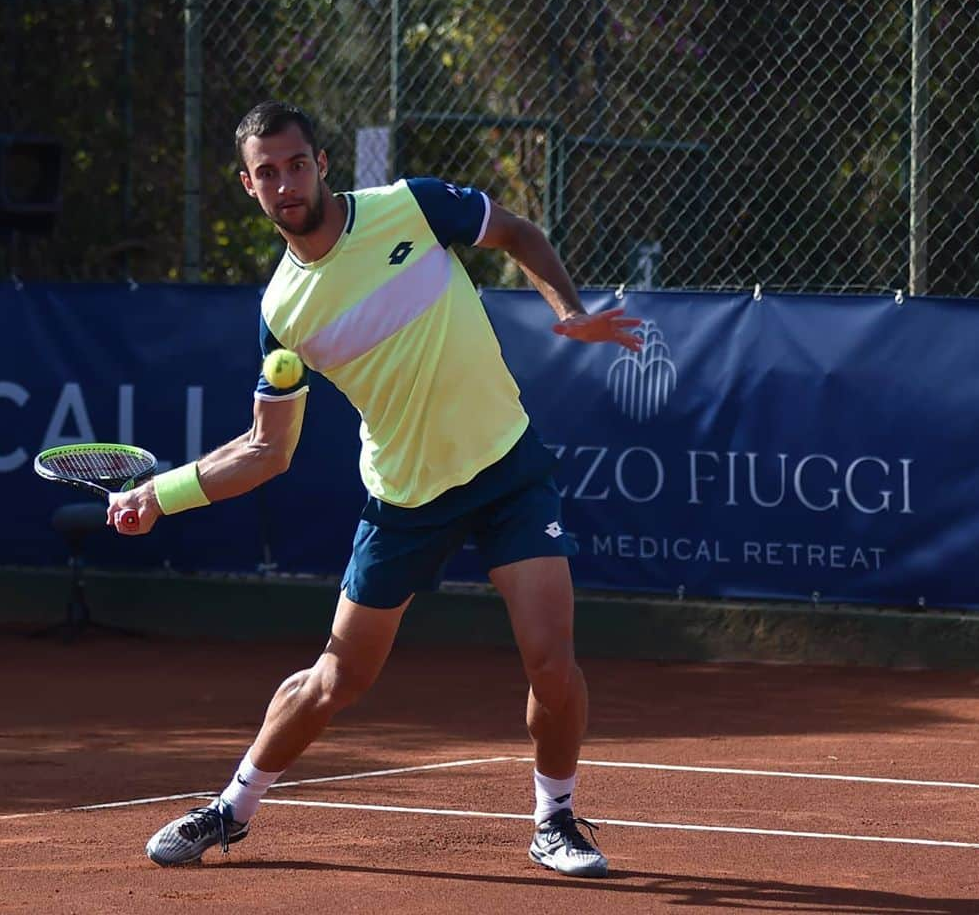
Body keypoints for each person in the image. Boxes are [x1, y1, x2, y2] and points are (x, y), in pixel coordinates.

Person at [108, 100, 642, 878]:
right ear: (249, 188)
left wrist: (571, 310)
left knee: (551, 659)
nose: (285, 182)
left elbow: (518, 232)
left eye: (296, 164)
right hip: (404, 500)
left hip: (505, 468)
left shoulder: (411, 206)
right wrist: (161, 495)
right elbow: (266, 450)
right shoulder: (283, 314)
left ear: (321, 163)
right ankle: (233, 807)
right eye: (267, 173)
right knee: (335, 678)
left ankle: (554, 819)